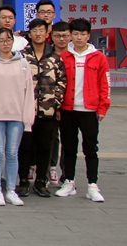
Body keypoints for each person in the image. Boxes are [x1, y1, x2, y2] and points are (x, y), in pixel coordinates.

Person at [56, 19, 111, 202]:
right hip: (68, 109)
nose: (79, 37)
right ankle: (69, 182)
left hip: (89, 110)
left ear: (88, 35)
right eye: (76, 34)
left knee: (90, 148)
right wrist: (57, 107)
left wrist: (103, 107)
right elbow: (58, 84)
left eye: (83, 34)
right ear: (70, 36)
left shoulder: (98, 57)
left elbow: (105, 84)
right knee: (68, 147)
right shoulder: (64, 57)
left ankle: (92, 185)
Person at [0, 28, 35, 207]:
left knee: (12, 153)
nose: (5, 43)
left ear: (13, 41)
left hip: (16, 114)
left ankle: (11, 190)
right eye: (1, 40)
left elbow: (29, 93)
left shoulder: (23, 64)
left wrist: (28, 118)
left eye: (8, 40)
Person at [17, 18, 66, 199]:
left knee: (46, 147)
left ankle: (41, 182)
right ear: (29, 34)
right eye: (34, 30)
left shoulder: (55, 57)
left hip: (48, 112)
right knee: (25, 146)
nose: (38, 34)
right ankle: (23, 181)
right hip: (26, 111)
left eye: (41, 30)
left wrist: (55, 103)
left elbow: (62, 82)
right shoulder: (21, 56)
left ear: (47, 34)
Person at [48, 22, 72, 186]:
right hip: (51, 104)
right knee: (51, 137)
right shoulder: (47, 54)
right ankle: (50, 168)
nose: (61, 39)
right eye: (58, 35)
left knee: (69, 140)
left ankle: (67, 174)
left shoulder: (75, 55)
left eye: (65, 35)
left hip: (71, 104)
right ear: (52, 36)